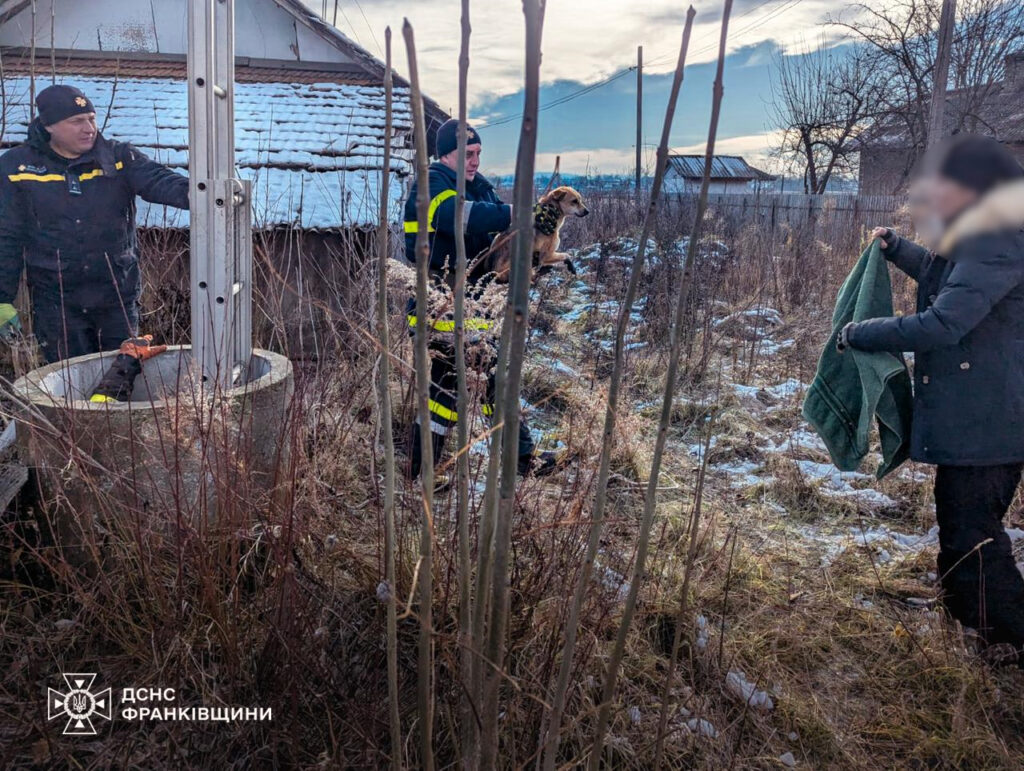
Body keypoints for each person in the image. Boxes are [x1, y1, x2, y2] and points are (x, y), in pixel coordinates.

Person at [839, 134, 1024, 659]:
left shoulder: (998, 241)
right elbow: (947, 278)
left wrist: (862, 331)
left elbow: (945, 322)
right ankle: (966, 610)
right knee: (959, 512)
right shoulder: (986, 235)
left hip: (993, 415)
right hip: (983, 411)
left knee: (974, 525)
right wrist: (898, 250)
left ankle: (1008, 630)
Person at [402, 118, 561, 485]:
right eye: (468, 154)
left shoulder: (479, 188)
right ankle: (420, 472)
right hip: (442, 302)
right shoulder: (432, 183)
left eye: (478, 154)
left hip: (477, 303)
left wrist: (535, 253)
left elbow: (503, 240)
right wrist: (517, 211)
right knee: (446, 391)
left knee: (497, 381)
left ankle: (522, 460)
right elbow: (457, 216)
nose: (475, 161)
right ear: (446, 155)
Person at [0, 84, 189, 362]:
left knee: (120, 375)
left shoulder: (118, 158)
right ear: (49, 126)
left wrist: (203, 192)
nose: (88, 128)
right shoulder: (18, 168)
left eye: (91, 118)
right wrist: (2, 298)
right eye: (77, 121)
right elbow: (7, 235)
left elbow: (160, 181)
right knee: (69, 382)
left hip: (116, 298)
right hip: (57, 303)